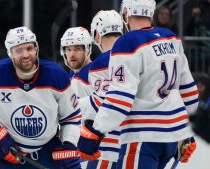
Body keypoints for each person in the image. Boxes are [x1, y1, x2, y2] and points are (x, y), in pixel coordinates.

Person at [77, 0, 198, 169]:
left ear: (126, 12)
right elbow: (189, 91)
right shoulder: (171, 37)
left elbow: (120, 99)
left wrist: (95, 132)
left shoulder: (128, 43)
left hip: (143, 138)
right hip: (171, 138)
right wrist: (188, 132)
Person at [0, 26, 81, 169]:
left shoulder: (56, 76)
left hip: (46, 153)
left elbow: (71, 117)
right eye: (19, 50)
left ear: (36, 48)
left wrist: (69, 143)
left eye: (29, 48)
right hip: (4, 152)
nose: (26, 55)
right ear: (10, 53)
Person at [78, 10, 124, 169]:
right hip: (140, 147)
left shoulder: (102, 62)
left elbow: (102, 103)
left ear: (97, 35)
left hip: (109, 149)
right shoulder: (139, 55)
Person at [60, 26, 93, 98]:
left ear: (87, 49)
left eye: (77, 49)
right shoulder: (72, 74)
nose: (72, 55)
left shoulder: (94, 74)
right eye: (68, 49)